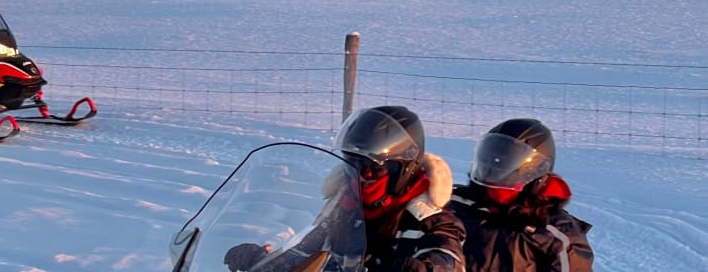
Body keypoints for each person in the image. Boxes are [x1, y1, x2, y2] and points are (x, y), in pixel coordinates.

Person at [224, 106, 465, 272]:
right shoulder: (342, 209)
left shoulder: (433, 220)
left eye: (373, 167)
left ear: (401, 168)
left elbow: (447, 259)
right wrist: (263, 262)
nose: (363, 175)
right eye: (354, 164)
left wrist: (420, 268)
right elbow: (306, 255)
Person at [447, 118, 594, 272]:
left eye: (505, 162)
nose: (495, 168)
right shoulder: (456, 206)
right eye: (492, 159)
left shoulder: (555, 234)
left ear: (535, 169)